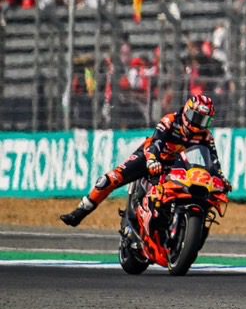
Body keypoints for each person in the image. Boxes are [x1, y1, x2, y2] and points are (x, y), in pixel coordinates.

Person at [59, 93, 222, 226]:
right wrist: (152, 160)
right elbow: (156, 141)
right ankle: (80, 212)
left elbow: (213, 160)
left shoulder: (206, 136)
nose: (199, 124)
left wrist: (220, 178)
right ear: (187, 111)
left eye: (204, 121)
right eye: (197, 117)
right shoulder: (171, 121)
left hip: (177, 169)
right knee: (110, 179)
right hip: (151, 157)